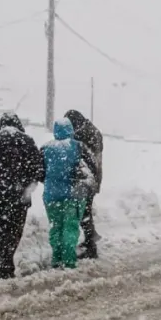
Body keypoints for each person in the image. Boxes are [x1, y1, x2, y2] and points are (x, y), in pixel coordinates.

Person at [0, 113, 45, 280]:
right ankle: (8, 261)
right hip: (20, 196)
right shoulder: (27, 142)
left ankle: (3, 264)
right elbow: (38, 168)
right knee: (15, 230)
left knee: (0, 230)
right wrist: (27, 184)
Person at [41, 118, 95, 270]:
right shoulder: (78, 146)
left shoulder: (46, 148)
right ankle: (69, 260)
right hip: (73, 195)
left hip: (51, 195)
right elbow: (91, 167)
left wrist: (51, 181)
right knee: (70, 227)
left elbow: (39, 171)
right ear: (71, 130)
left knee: (56, 227)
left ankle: (56, 259)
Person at [65, 110, 103, 260]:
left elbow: (82, 156)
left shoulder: (82, 134)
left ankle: (91, 244)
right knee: (85, 210)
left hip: (85, 178)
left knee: (83, 211)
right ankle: (90, 239)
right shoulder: (93, 131)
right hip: (93, 177)